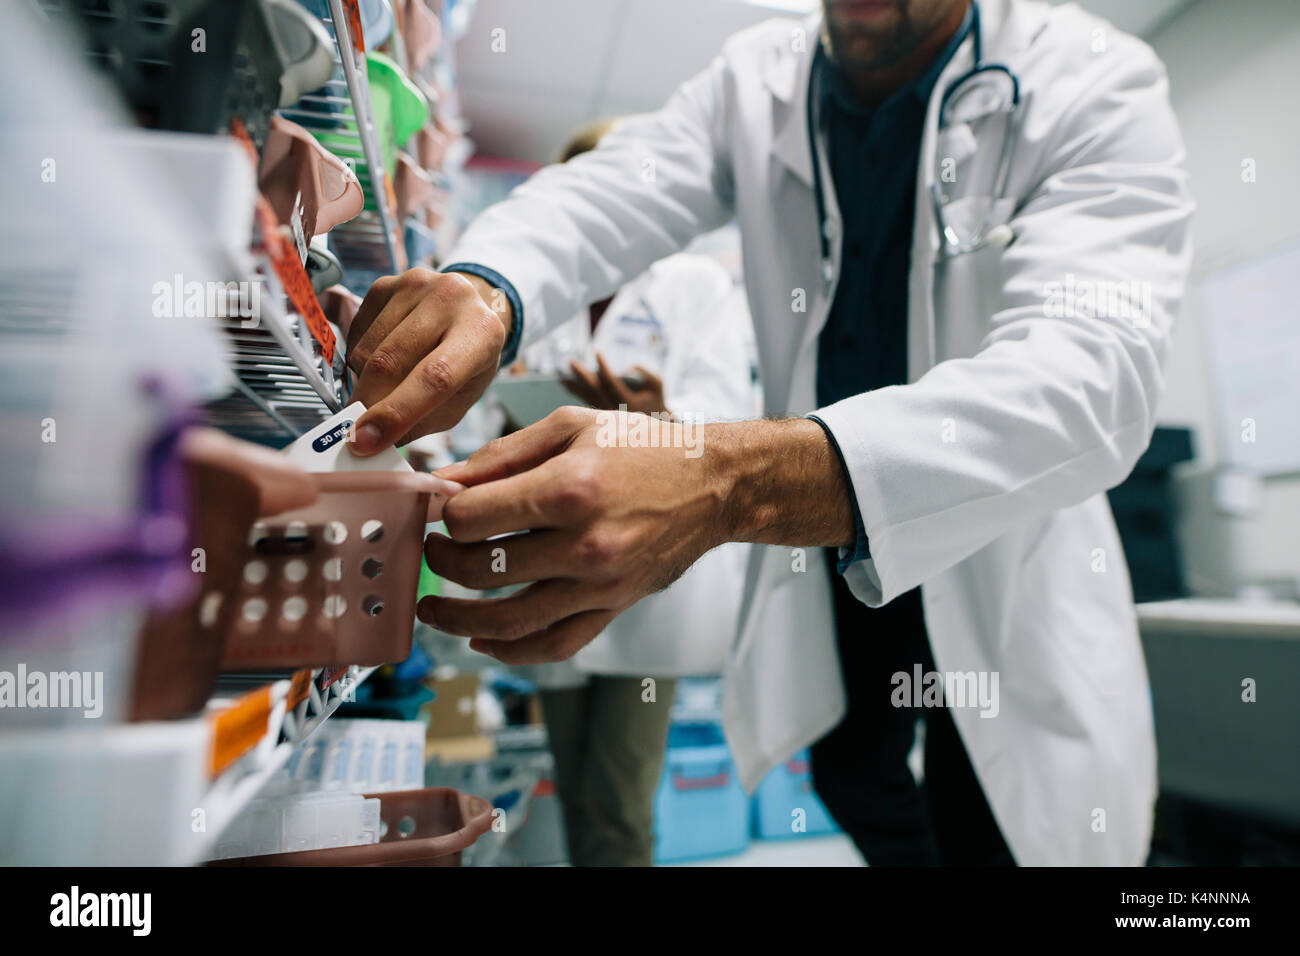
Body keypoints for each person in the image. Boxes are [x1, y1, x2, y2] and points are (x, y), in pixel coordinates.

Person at [342, 0, 1194, 866]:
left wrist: (727, 481)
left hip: (997, 553)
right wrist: (491, 286)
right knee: (854, 772)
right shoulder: (759, 77)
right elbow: (611, 185)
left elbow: (1093, 374)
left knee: (999, 825)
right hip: (840, 563)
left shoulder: (1092, 77)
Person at [509, 121, 758, 867]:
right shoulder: (547, 291)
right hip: (553, 557)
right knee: (578, 790)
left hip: (646, 578)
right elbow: (513, 410)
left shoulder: (692, 283)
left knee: (618, 803)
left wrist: (659, 414)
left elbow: (730, 422)